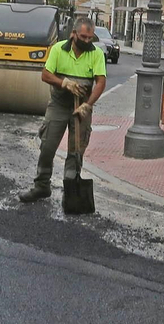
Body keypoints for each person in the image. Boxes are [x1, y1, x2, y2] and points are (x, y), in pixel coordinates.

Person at [20, 16, 106, 207]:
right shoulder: (58, 49)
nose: (86, 41)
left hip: (81, 107)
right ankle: (42, 185)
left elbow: (100, 82)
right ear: (73, 34)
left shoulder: (97, 54)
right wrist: (64, 83)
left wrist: (88, 105)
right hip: (59, 104)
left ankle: (71, 192)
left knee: (76, 151)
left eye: (89, 38)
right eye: (83, 37)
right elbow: (45, 74)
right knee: (47, 146)